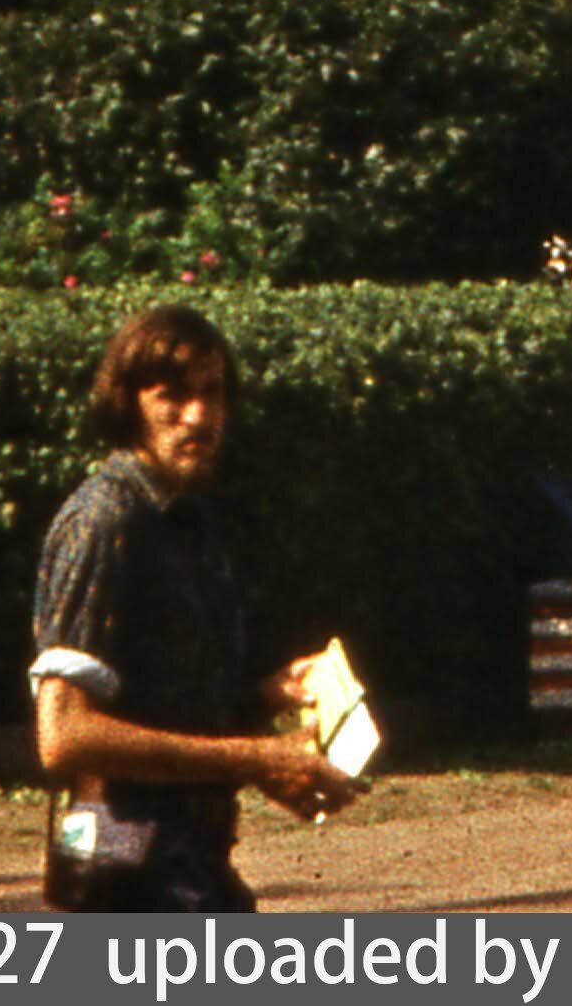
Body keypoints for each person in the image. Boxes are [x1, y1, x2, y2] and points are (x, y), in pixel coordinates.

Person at [28, 303, 359, 911]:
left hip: (191, 872)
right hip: (125, 882)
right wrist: (259, 758)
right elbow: (65, 736)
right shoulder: (104, 522)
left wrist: (268, 696)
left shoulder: (186, 522)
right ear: (129, 403)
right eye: (172, 396)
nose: (199, 416)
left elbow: (164, 703)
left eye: (212, 393)